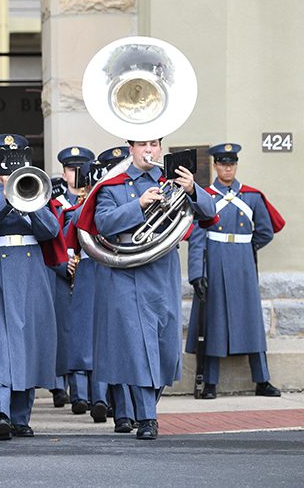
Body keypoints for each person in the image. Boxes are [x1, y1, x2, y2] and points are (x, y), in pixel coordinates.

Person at [75, 138, 216, 440]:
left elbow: (209, 212)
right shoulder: (113, 185)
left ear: (160, 149)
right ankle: (148, 417)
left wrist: (193, 189)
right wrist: (138, 205)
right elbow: (101, 223)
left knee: (165, 349)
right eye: (142, 145)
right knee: (139, 347)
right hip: (126, 271)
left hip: (162, 271)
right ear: (131, 150)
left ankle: (146, 407)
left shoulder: (173, 182)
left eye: (153, 144)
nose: (148, 150)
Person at [0, 134, 66, 440]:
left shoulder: (37, 189)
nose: (11, 165)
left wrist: (29, 200)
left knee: (28, 342)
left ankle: (21, 416)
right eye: (4, 160)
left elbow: (51, 230)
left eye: (17, 159)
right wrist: (5, 196)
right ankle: (2, 412)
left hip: (31, 267)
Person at [186, 143, 285, 398]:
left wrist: (247, 249)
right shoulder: (204, 196)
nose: (227, 168)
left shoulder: (251, 196)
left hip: (242, 263)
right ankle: (210, 382)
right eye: (222, 163)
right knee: (212, 322)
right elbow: (197, 238)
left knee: (252, 321)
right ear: (216, 166)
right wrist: (197, 273)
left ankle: (262, 380)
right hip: (214, 261)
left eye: (231, 164)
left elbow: (265, 230)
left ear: (236, 165)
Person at [51, 146, 95, 414]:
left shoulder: (94, 199)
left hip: (89, 271)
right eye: (70, 169)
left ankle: (93, 394)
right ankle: (70, 390)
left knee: (90, 330)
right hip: (61, 272)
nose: (76, 174)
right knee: (66, 332)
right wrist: (61, 265)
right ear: (64, 172)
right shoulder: (55, 202)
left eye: (81, 169)